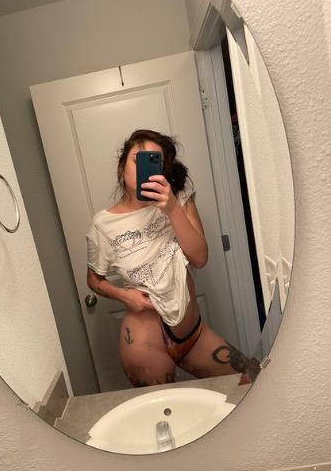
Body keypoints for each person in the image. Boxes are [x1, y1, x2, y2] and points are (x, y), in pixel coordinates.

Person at [86, 129, 259, 387]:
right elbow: (93, 280)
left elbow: (199, 258)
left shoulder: (178, 198)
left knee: (253, 382)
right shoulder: (103, 224)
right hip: (145, 343)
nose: (145, 167)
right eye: (138, 159)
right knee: (168, 411)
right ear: (122, 168)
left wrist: (171, 209)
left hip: (193, 335)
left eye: (154, 161)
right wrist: (124, 296)